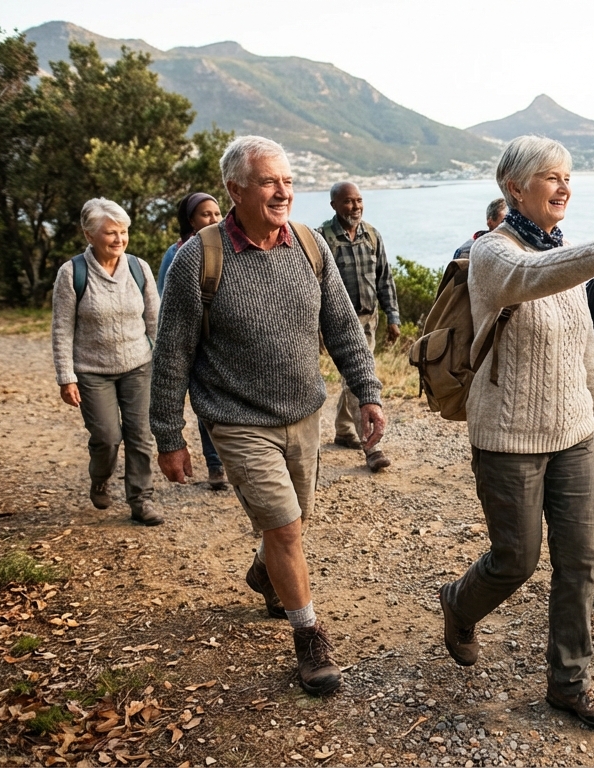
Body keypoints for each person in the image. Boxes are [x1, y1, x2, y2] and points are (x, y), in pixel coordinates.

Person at [438, 136, 594, 731]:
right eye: (551, 176)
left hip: (572, 431)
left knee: (580, 564)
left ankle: (568, 682)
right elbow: (532, 274)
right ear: (515, 189)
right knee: (514, 560)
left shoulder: (568, 250)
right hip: (507, 435)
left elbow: (584, 348)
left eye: (568, 176)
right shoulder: (495, 253)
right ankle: (458, 603)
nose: (564, 186)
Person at [151, 135, 385, 696]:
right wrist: (168, 434)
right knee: (284, 526)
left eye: (286, 180)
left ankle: (265, 573)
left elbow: (343, 328)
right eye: (267, 181)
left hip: (304, 411)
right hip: (235, 418)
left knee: (292, 523)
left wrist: (368, 391)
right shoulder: (198, 259)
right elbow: (173, 352)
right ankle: (309, 639)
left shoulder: (309, 245)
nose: (282, 192)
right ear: (235, 189)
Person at [52, 198, 162, 526]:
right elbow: (61, 328)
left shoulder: (139, 268)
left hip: (138, 365)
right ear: (89, 235)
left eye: (124, 232)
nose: (119, 239)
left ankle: (141, 499)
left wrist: (165, 363)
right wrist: (66, 376)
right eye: (111, 233)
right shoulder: (73, 273)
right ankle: (100, 478)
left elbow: (155, 320)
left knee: (141, 435)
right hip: (91, 370)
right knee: (107, 438)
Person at [318, 181, 399, 472]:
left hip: (368, 319)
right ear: (334, 206)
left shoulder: (372, 235)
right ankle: (371, 446)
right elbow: (314, 286)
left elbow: (384, 278)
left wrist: (393, 316)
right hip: (338, 323)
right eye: (349, 202)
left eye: (359, 200)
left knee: (354, 378)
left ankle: (343, 429)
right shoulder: (322, 238)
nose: (355, 206)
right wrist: (317, 327)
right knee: (358, 380)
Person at [157, 192, 227, 491]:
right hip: (194, 340)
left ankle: (230, 459)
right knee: (206, 402)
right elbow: (165, 302)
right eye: (205, 215)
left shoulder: (226, 248)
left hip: (221, 338)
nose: (213, 219)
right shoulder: (177, 255)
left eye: (216, 213)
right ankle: (216, 466)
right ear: (190, 220)